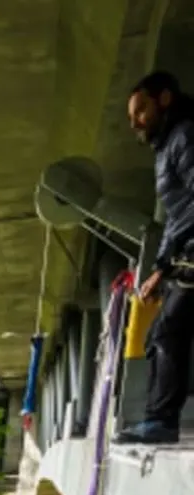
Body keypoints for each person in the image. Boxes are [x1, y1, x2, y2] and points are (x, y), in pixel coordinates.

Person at [117, 70, 194, 444]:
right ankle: (160, 420)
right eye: (132, 117)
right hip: (185, 254)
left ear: (164, 99)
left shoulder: (185, 136)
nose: (135, 123)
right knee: (169, 332)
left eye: (141, 110)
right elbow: (176, 217)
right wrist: (159, 269)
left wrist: (166, 266)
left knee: (167, 331)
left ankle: (161, 422)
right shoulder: (168, 146)